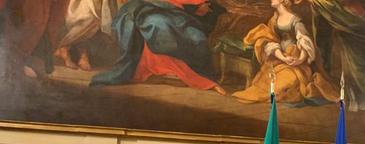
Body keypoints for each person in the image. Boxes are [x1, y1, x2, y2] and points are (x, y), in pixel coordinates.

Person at [91, 0, 226, 95]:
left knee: (196, 37)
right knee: (157, 24)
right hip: (151, 8)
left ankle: (200, 78)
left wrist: (199, 6)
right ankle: (151, 69)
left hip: (183, 14)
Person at [232, 0, 338, 104]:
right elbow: (271, 40)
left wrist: (300, 60)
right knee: (267, 83)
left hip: (296, 62)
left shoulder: (295, 20)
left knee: (284, 85)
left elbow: (304, 40)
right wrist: (282, 57)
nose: (271, 0)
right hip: (280, 59)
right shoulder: (274, 19)